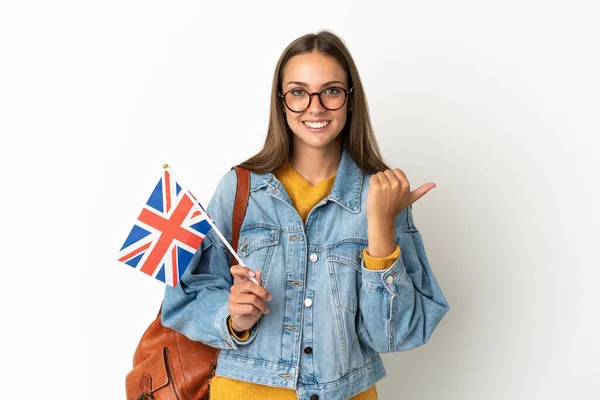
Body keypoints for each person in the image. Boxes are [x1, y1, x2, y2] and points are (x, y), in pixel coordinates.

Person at [162, 30, 449, 400]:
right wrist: (230, 317)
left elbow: (393, 334)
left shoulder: (382, 195)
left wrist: (379, 223)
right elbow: (181, 299)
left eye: (330, 91)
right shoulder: (240, 189)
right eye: (298, 92)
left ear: (349, 100)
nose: (315, 107)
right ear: (281, 102)